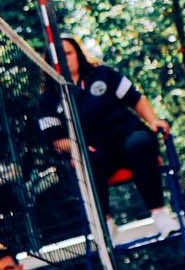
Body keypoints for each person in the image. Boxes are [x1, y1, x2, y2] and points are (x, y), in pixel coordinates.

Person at [34, 37, 174, 234]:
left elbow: (136, 98)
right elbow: (55, 140)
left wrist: (153, 120)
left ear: (78, 54)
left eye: (68, 53)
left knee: (140, 143)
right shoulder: (48, 99)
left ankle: (160, 214)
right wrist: (78, 147)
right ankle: (106, 226)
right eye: (59, 56)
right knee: (86, 162)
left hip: (127, 138)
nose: (65, 59)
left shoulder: (103, 74)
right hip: (94, 152)